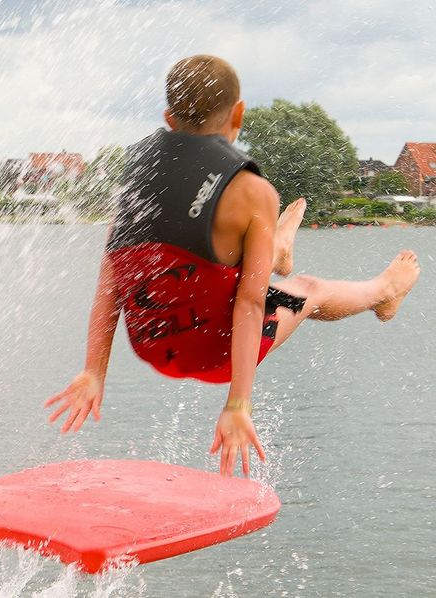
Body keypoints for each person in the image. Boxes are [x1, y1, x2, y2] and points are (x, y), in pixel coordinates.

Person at [45, 55, 420, 477]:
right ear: (238, 113)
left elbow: (110, 286)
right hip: (215, 353)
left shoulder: (136, 175)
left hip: (155, 346)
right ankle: (382, 293)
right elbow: (249, 303)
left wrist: (94, 372)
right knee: (309, 288)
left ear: (169, 117)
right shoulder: (252, 190)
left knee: (219, 259)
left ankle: (275, 249)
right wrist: (238, 404)